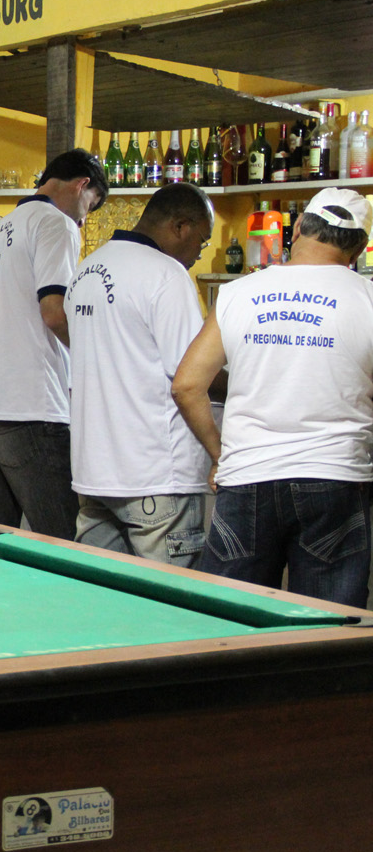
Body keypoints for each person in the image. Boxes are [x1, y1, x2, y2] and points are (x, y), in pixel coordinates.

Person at [172, 187, 373, 606]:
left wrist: (219, 454)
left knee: (229, 620)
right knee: (326, 626)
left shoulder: (239, 292)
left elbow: (187, 385)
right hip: (335, 478)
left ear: (297, 229)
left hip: (247, 477)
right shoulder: (367, 298)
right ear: (358, 249)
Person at [0, 148, 108, 538]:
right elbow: (54, 312)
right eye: (90, 206)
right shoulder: (57, 223)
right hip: (30, 404)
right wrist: (98, 360)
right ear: (82, 186)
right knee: (65, 542)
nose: (84, 219)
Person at [65, 182, 214, 567]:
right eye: (201, 240)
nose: (200, 253)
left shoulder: (86, 270)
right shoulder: (166, 275)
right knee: (169, 599)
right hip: (157, 477)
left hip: (95, 475)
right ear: (180, 226)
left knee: (102, 594)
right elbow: (190, 377)